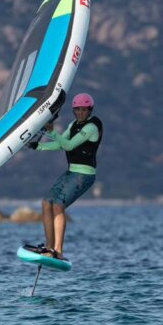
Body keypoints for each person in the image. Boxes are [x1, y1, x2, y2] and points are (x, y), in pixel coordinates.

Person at [26, 92, 102, 261]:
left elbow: (68, 145)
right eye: (77, 110)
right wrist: (38, 146)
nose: (80, 113)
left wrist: (52, 132)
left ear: (90, 110)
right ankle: (49, 248)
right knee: (47, 203)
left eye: (84, 110)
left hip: (85, 174)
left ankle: (58, 252)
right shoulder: (74, 124)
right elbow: (60, 143)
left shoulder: (92, 127)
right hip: (72, 171)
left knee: (58, 205)